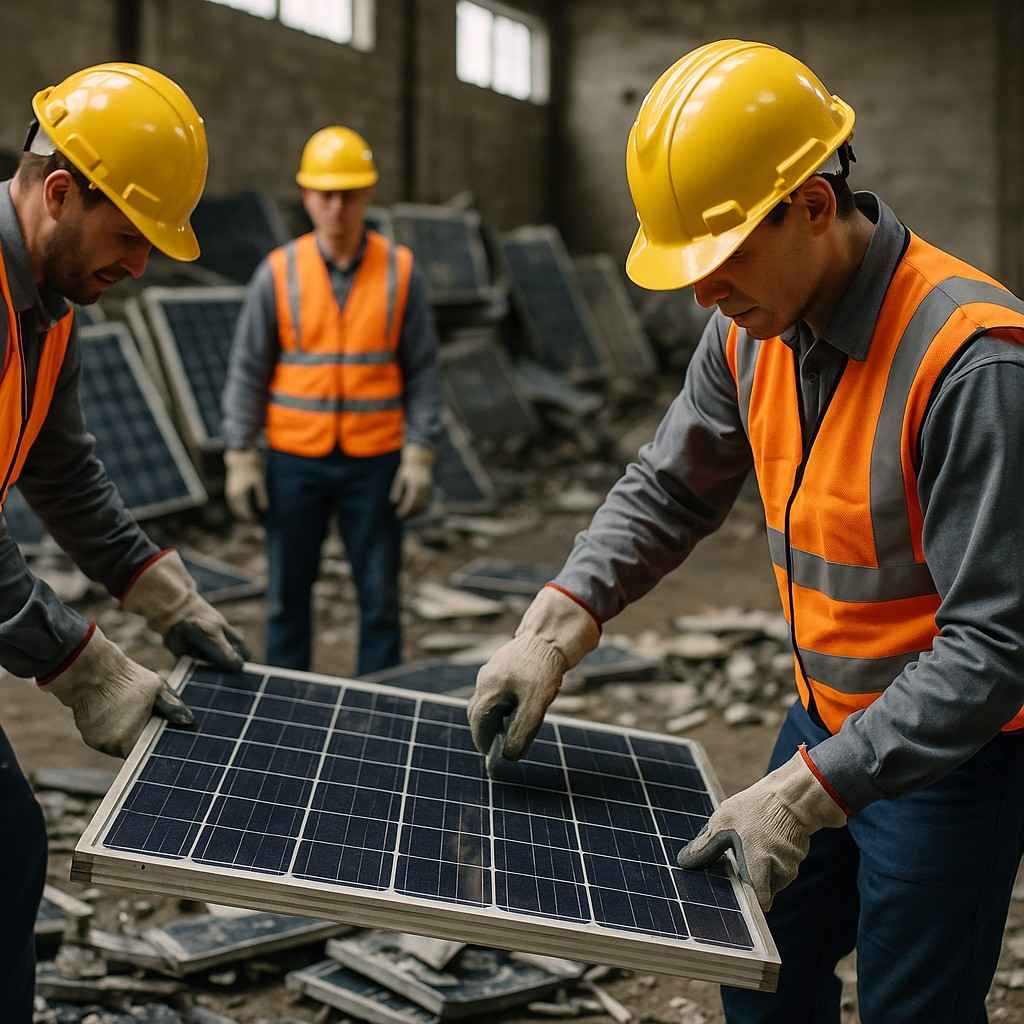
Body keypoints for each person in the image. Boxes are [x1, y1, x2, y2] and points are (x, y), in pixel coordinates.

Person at [468, 38, 1024, 1023]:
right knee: (755, 964)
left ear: (812, 205)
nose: (700, 295)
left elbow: (995, 645)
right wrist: (552, 625)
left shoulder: (971, 366)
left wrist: (810, 792)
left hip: (952, 760)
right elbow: (669, 489)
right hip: (820, 715)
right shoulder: (750, 326)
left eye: (718, 260)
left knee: (914, 1006)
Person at [1, 64, 249, 1020]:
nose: (141, 264)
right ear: (60, 191)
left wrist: (160, 590)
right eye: (131, 236)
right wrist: (81, 665)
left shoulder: (49, 309)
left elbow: (58, 469)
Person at [222, 125, 441, 676]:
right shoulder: (278, 272)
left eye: (349, 194)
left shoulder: (400, 271)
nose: (337, 207)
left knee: (380, 602)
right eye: (326, 194)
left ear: (367, 195)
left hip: (375, 461)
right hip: (295, 462)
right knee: (286, 600)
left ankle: (382, 720)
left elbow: (422, 371)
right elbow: (248, 369)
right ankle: (285, 713)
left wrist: (420, 452)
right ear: (307, 197)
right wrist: (240, 454)